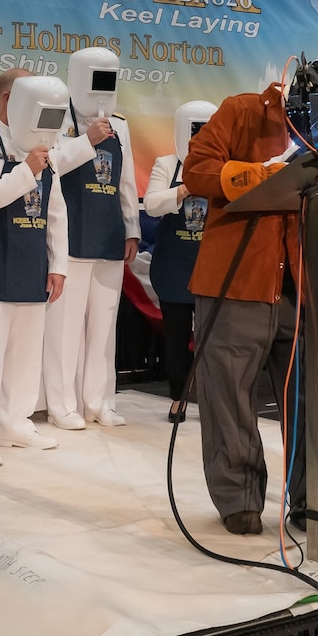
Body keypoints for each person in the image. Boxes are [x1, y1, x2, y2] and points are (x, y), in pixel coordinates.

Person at [183, 80, 306, 535]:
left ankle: (312, 499)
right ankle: (239, 498)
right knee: (230, 396)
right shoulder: (242, 110)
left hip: (305, 284)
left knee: (309, 399)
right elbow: (196, 171)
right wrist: (261, 175)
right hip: (236, 283)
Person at [0, 68, 69, 467]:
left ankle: (17, 423)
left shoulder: (46, 148)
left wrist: (59, 265)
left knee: (25, 353)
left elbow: (57, 211)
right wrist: (27, 171)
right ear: (9, 100)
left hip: (31, 262)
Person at [43, 47, 140, 430]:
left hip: (109, 233)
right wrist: (87, 141)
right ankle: (61, 405)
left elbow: (127, 181)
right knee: (66, 328)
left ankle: (99, 401)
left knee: (105, 324)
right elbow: (49, 164)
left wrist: (132, 227)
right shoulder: (56, 118)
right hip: (72, 232)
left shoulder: (122, 125)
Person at [145, 101, 216, 424]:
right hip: (174, 266)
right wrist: (185, 189)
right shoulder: (165, 164)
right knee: (175, 338)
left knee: (212, 339)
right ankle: (178, 398)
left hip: (210, 267)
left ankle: (214, 400)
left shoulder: (224, 164)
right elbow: (152, 205)